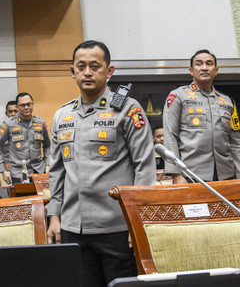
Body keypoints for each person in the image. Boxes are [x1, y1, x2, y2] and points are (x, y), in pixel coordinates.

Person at [47, 40, 156, 287]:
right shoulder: (62, 115)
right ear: (72, 71)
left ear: (109, 71)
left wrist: (139, 221)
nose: (87, 72)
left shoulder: (129, 110)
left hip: (118, 227)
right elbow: (56, 171)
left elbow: (145, 166)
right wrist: (54, 216)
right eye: (81, 66)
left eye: (95, 66)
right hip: (73, 227)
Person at [163, 49, 240, 183]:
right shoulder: (178, 96)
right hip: (191, 175)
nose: (204, 67)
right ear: (191, 70)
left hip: (226, 175)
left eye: (209, 63)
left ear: (216, 70)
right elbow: (170, 137)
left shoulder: (227, 101)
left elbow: (235, 143)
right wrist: (176, 174)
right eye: (199, 64)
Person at [0, 93, 50, 185]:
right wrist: (3, 170)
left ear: (33, 104)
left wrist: (48, 164)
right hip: (18, 173)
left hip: (39, 170)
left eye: (29, 104)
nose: (26, 107)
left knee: (41, 199)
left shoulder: (40, 123)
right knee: (22, 199)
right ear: (17, 107)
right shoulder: (9, 124)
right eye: (23, 105)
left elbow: (48, 145)